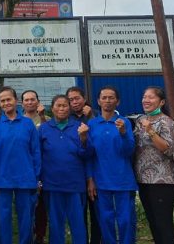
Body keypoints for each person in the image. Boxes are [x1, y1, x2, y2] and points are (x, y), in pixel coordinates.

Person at [0, 86, 40, 244]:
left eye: (9, 99)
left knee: (26, 217)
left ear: (16, 101)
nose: (6, 103)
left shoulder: (28, 124)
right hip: (2, 177)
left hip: (25, 177)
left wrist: (36, 176)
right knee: (3, 217)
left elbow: (36, 152)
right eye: (2, 101)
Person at [87, 86, 136, 244]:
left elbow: (129, 150)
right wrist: (90, 179)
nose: (107, 101)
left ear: (118, 101)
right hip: (101, 179)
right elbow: (89, 154)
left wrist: (123, 133)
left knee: (126, 219)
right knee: (105, 219)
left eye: (111, 97)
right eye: (104, 98)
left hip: (123, 179)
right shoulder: (92, 124)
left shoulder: (124, 122)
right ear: (98, 101)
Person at [39, 95, 92, 244]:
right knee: (55, 224)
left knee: (78, 223)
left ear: (70, 108)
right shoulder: (44, 129)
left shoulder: (80, 127)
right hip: (52, 184)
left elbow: (88, 155)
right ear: (52, 108)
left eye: (65, 105)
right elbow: (38, 155)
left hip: (75, 184)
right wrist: (38, 179)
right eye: (58, 105)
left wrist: (84, 139)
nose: (61, 109)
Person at [133, 87, 174, 244]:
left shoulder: (166, 122)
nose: (146, 100)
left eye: (151, 97)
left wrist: (151, 131)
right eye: (144, 97)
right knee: (153, 223)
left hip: (162, 180)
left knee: (163, 223)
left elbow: (168, 149)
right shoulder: (140, 120)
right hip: (143, 179)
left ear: (162, 102)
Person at [66, 86, 100, 244]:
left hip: (96, 168)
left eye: (77, 98)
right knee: (79, 214)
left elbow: (98, 138)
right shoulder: (67, 118)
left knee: (97, 212)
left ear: (84, 98)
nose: (74, 102)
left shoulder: (96, 115)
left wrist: (91, 116)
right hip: (76, 171)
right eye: (71, 100)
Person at [21, 90, 48, 244]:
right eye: (26, 100)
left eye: (33, 99)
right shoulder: (18, 119)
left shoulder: (46, 118)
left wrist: (42, 116)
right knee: (26, 202)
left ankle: (40, 235)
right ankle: (27, 232)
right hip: (24, 165)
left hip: (43, 165)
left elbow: (47, 135)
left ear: (38, 101)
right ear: (22, 103)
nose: (30, 102)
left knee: (41, 202)